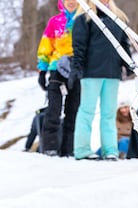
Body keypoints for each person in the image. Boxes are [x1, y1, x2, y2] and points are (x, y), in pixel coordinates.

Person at [69, 0, 130, 160]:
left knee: (109, 114)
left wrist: (128, 63)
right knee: (87, 111)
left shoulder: (119, 18)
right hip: (91, 72)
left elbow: (124, 44)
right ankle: (82, 150)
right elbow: (79, 45)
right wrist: (77, 66)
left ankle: (110, 150)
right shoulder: (85, 17)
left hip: (112, 73)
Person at [36, 0, 81, 157]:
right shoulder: (55, 22)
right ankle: (50, 147)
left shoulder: (85, 19)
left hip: (78, 70)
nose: (71, 2)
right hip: (57, 70)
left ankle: (69, 149)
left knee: (73, 110)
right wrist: (42, 71)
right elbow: (46, 46)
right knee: (53, 110)